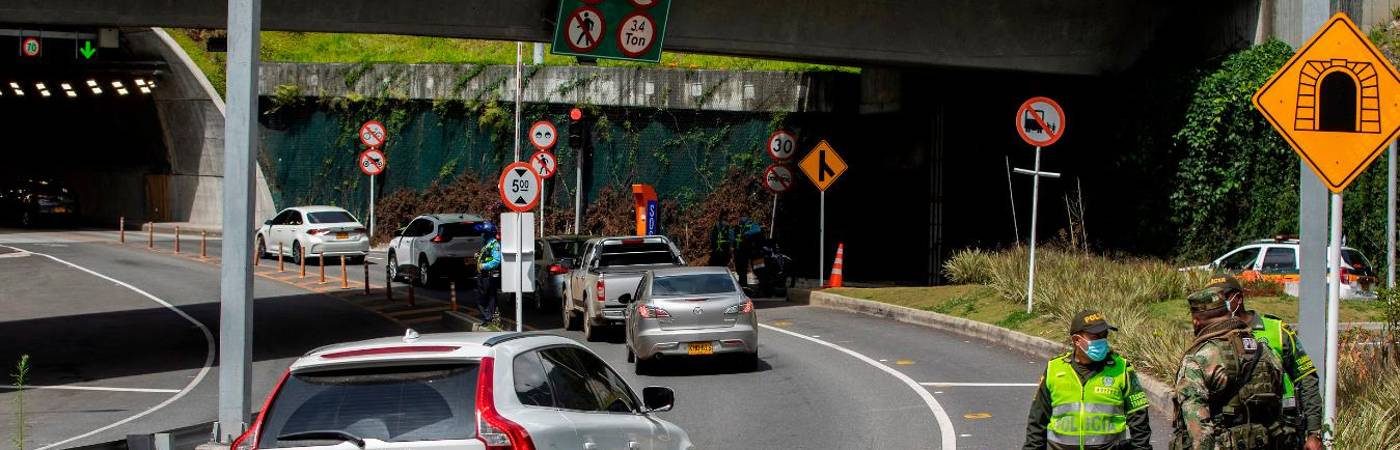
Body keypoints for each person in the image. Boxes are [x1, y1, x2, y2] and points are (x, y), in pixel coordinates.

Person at [1172, 277, 1287, 450]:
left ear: (1196, 321)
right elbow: (1277, 397)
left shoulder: (1199, 358)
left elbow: (1199, 430)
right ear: (1227, 313)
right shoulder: (1262, 350)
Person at [1217, 276, 1324, 450]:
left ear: (1238, 298)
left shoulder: (1276, 330)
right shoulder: (1215, 338)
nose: (1217, 305)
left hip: (1281, 431)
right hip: (1236, 435)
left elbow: (1307, 378)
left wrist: (1314, 433)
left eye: (1222, 298)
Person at [1023, 309, 1153, 450]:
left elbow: (1139, 421)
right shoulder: (1055, 369)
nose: (1102, 340)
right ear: (1077, 340)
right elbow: (1037, 421)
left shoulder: (1122, 369)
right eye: (1095, 336)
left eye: (1104, 335)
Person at [475, 221, 502, 325]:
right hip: (483, 275)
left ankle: (489, 318)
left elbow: (496, 260)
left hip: (488, 275)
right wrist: (478, 256)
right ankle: (488, 318)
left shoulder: (494, 244)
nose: (482, 235)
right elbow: (486, 256)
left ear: (488, 233)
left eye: (484, 233)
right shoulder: (487, 244)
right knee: (484, 297)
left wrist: (483, 266)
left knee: (487, 297)